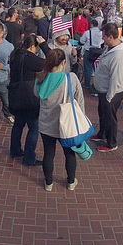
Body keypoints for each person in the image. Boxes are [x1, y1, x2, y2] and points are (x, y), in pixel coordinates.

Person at [35, 49, 85, 191]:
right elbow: (80, 101)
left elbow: (36, 95)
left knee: (48, 154)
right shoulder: (71, 78)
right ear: (63, 62)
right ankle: (70, 181)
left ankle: (48, 183)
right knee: (69, 154)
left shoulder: (40, 79)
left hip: (46, 124)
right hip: (68, 125)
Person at [9, 34, 51, 165]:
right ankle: (29, 158)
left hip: (15, 94)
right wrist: (44, 44)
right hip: (29, 97)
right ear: (33, 46)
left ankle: (15, 150)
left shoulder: (15, 55)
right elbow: (52, 60)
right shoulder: (32, 60)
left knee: (18, 124)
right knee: (34, 128)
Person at [91, 23, 123, 152]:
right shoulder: (110, 49)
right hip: (104, 90)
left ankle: (111, 142)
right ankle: (102, 133)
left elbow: (116, 79)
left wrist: (109, 97)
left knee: (110, 117)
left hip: (111, 92)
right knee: (102, 113)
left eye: (104, 36)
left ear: (111, 37)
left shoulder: (118, 56)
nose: (102, 39)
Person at [80, 18, 103, 89]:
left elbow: (82, 41)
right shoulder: (101, 33)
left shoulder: (87, 32)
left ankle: (87, 83)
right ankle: (96, 85)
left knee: (88, 69)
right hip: (98, 52)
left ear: (91, 25)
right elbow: (103, 40)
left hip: (89, 51)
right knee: (98, 69)